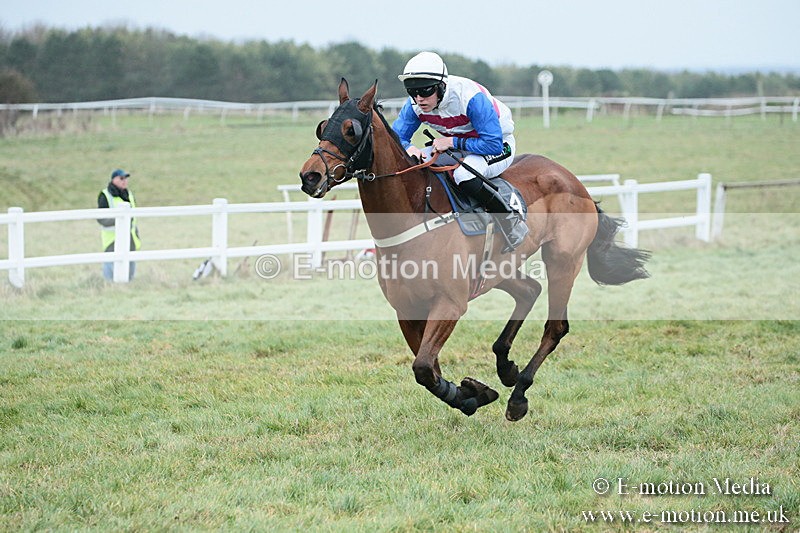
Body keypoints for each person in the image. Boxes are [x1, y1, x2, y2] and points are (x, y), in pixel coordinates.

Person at [391, 51, 527, 251]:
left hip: (497, 144)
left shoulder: (471, 98)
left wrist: (452, 141)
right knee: (415, 165)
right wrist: (408, 147)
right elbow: (397, 137)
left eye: (425, 92)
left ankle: (510, 222)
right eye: (413, 92)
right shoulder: (415, 104)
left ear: (441, 86)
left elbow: (492, 144)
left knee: (463, 174)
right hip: (457, 144)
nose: (419, 99)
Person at [97, 168, 141, 280]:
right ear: (113, 180)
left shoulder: (129, 194)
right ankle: (109, 288)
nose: (124, 181)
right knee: (110, 269)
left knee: (130, 269)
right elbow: (101, 218)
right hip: (113, 239)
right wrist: (120, 221)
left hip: (131, 238)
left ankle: (127, 288)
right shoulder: (105, 195)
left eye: (126, 178)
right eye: (121, 178)